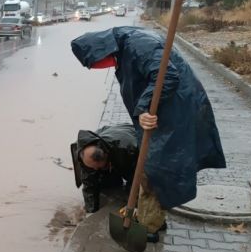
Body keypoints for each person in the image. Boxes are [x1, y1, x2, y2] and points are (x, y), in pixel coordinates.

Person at [71, 27, 226, 239]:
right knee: (152, 168)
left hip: (174, 111)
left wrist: (143, 108)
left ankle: (148, 228)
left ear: (101, 50)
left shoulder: (138, 44)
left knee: (153, 169)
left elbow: (168, 75)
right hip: (164, 112)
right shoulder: (125, 46)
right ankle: (152, 219)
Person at [72, 124, 138, 215]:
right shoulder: (85, 156)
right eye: (91, 167)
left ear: (106, 156)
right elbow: (89, 184)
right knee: (104, 183)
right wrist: (91, 212)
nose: (94, 169)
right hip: (108, 135)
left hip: (130, 138)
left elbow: (137, 179)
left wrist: (133, 204)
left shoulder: (127, 151)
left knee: (135, 186)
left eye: (97, 167)